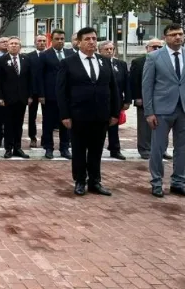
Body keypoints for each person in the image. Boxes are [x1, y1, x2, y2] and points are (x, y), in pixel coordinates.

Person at [56, 27, 119, 196]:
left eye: (94, 38)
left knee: (96, 150)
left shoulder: (104, 61)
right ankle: (79, 181)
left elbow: (113, 88)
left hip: (101, 115)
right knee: (78, 149)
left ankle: (95, 181)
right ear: (78, 42)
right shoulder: (68, 62)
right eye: (87, 39)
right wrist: (65, 115)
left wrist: (115, 113)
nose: (91, 42)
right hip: (78, 115)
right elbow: (61, 91)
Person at [142, 23, 185, 199]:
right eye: (173, 34)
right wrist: (149, 112)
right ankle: (157, 182)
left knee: (182, 148)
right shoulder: (154, 57)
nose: (178, 37)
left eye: (180, 34)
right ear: (165, 37)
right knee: (158, 148)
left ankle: (179, 182)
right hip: (161, 110)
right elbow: (147, 86)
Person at [35, 29, 74, 160]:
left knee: (66, 122)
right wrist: (41, 94)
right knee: (48, 123)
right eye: (57, 39)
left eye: (62, 39)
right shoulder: (45, 55)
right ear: (52, 40)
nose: (60, 41)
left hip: (67, 95)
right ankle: (48, 147)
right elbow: (39, 76)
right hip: (50, 95)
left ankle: (64, 147)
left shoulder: (70, 54)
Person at [0, 37, 33, 159]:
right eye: (11, 44)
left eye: (16, 44)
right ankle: (8, 148)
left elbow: (30, 79)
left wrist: (30, 95)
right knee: (8, 124)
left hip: (22, 98)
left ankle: (18, 147)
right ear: (8, 46)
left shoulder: (26, 60)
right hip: (7, 99)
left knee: (19, 124)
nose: (13, 46)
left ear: (20, 46)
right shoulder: (1, 60)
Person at [130, 39, 168, 160]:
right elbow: (134, 81)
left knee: (163, 125)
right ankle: (144, 149)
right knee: (144, 126)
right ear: (147, 48)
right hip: (144, 98)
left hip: (162, 99)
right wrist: (137, 97)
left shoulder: (167, 61)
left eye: (159, 47)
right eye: (154, 47)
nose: (156, 49)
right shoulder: (138, 62)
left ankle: (162, 149)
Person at [98, 41, 131, 160]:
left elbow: (127, 83)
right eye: (106, 49)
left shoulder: (120, 64)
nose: (109, 51)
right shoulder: (96, 63)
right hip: (100, 101)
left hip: (116, 101)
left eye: (111, 49)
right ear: (100, 51)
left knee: (114, 126)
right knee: (98, 127)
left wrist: (127, 100)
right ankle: (95, 149)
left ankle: (115, 149)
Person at [25, 35, 47, 147]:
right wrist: (28, 95)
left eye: (44, 41)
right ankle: (33, 137)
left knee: (47, 117)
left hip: (47, 92)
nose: (42, 43)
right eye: (39, 41)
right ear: (35, 43)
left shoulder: (50, 55)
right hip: (33, 92)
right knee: (32, 117)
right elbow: (27, 77)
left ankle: (45, 139)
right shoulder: (28, 57)